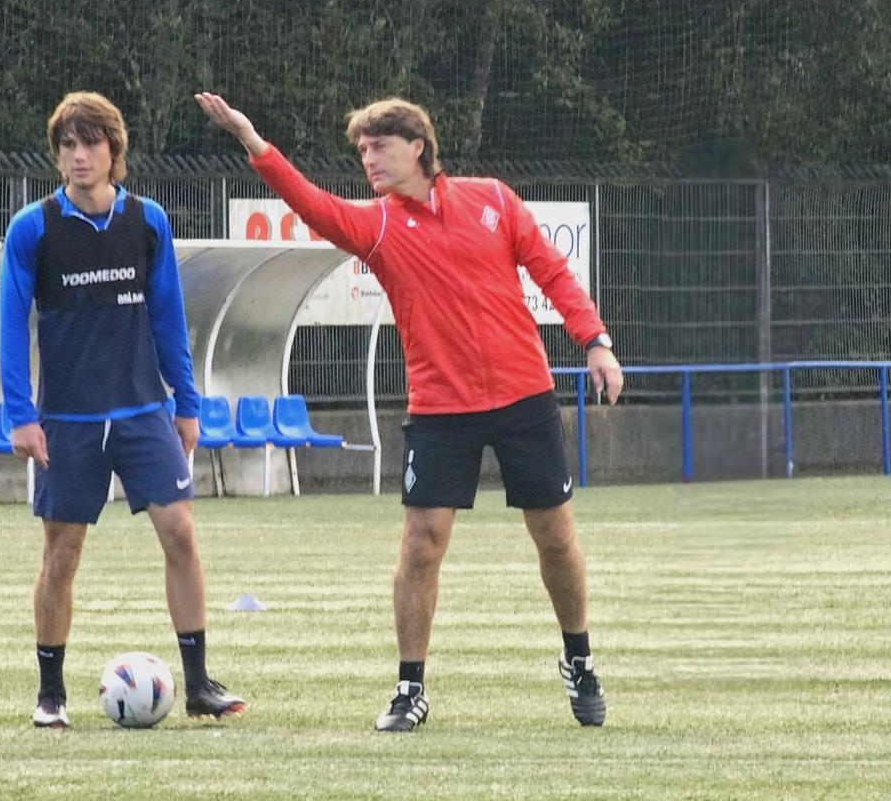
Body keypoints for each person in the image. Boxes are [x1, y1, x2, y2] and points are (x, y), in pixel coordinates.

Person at [195, 91, 623, 732]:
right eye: (362, 149)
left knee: (555, 537)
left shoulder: (494, 201)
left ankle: (579, 660)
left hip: (523, 396)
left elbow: (553, 271)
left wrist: (595, 341)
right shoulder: (379, 225)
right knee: (422, 545)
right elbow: (310, 202)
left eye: (380, 146)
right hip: (440, 407)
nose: (369, 159)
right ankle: (409, 687)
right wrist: (254, 142)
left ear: (417, 147)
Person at [0, 91, 243, 729]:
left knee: (182, 534)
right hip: (68, 422)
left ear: (114, 151)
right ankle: (50, 693)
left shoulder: (147, 220)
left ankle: (197, 685)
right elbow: (11, 322)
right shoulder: (33, 227)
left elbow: (168, 316)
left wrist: (185, 403)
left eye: (91, 144)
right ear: (57, 156)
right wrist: (20, 415)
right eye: (68, 145)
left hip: (143, 414)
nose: (79, 156)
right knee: (62, 553)